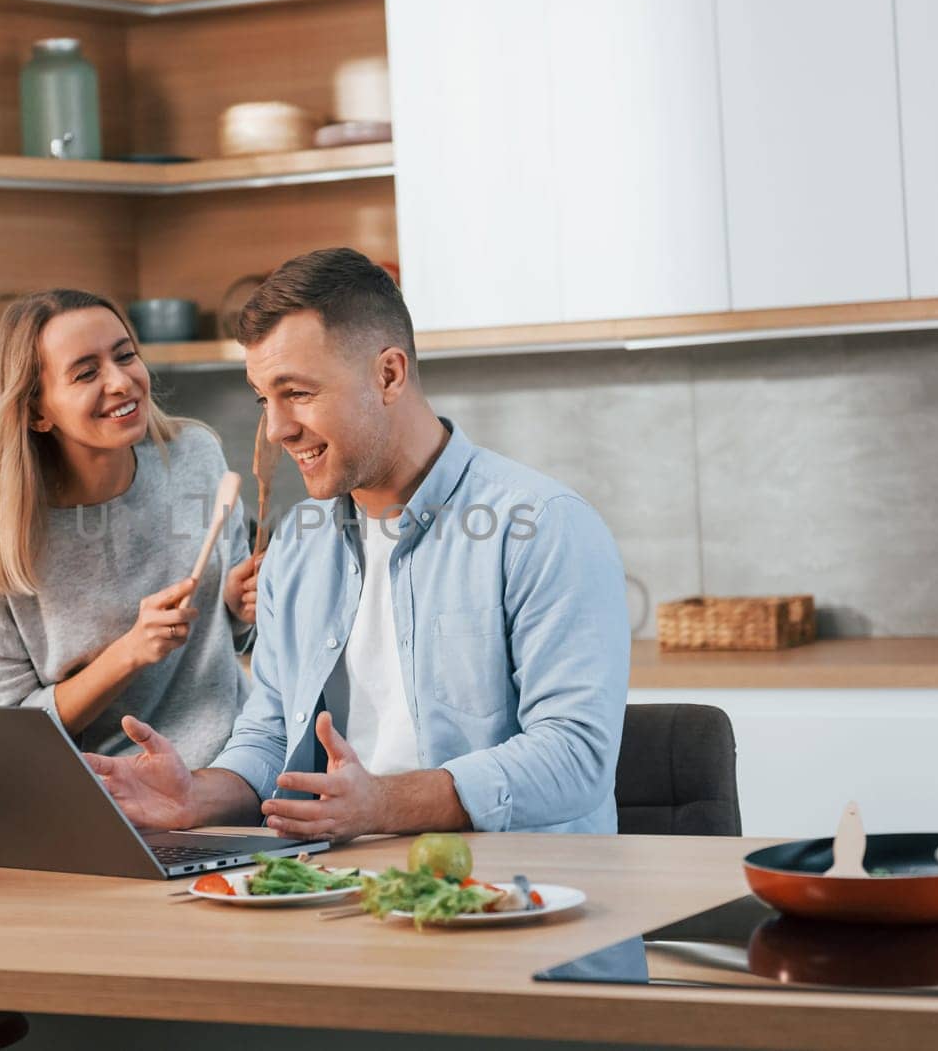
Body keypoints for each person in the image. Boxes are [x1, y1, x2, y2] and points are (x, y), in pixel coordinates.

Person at [84, 248, 630, 840]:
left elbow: (575, 756)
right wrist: (200, 794)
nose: (276, 429)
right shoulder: (300, 543)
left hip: (515, 903)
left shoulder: (540, 526)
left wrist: (383, 805)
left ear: (388, 375)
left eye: (297, 392)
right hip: (345, 895)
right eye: (264, 398)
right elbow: (271, 733)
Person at [0, 289, 260, 769]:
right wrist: (127, 653)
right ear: (36, 411)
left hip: (230, 772)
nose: (120, 381)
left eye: (126, 356)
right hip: (97, 795)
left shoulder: (196, 457)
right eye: (86, 373)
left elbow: (227, 647)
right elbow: (1, 733)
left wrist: (239, 607)